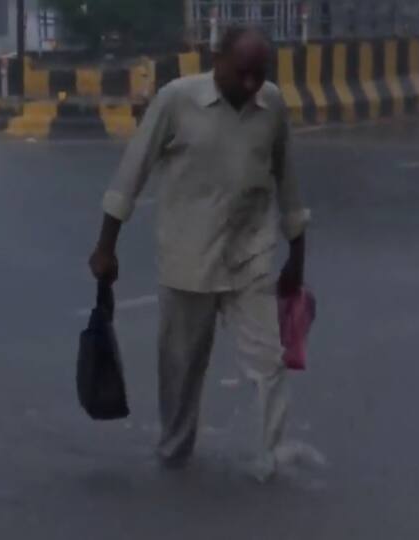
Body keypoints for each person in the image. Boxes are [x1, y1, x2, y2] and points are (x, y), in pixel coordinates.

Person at [88, 26, 310, 480]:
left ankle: (268, 460)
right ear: (218, 59)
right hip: (187, 258)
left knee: (269, 362)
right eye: (243, 73)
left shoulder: (271, 105)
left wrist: (297, 255)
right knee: (181, 369)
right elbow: (133, 170)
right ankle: (175, 450)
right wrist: (105, 245)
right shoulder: (176, 100)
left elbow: (287, 179)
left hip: (250, 254)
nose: (252, 85)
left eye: (259, 75)